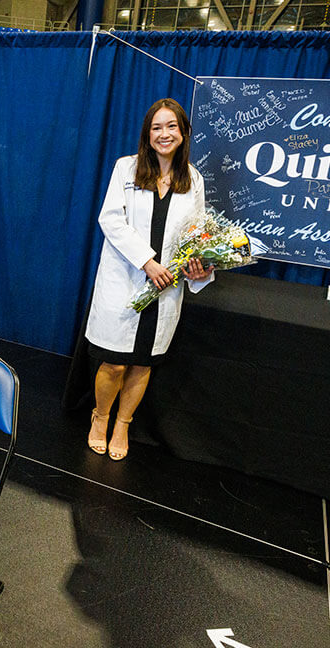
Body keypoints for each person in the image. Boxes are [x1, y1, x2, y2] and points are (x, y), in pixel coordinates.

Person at [83, 98, 214, 461]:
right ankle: (101, 417)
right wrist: (147, 262)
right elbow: (111, 220)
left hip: (166, 287)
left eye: (171, 126)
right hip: (127, 280)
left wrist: (200, 267)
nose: (164, 134)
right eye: (156, 127)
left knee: (143, 362)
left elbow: (197, 235)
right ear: (147, 134)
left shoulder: (194, 180)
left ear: (184, 132)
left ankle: (123, 423)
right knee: (114, 362)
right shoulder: (126, 168)